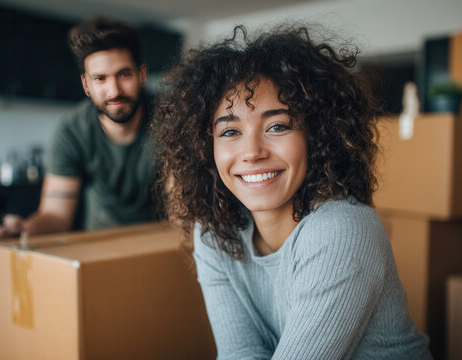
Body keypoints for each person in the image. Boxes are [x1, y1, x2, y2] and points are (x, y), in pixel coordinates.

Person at [151, 25, 433, 359]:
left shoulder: (341, 230)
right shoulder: (214, 231)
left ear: (317, 136)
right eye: (229, 131)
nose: (251, 151)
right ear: (204, 147)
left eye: (277, 126)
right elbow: (240, 352)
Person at [0, 17, 156, 242]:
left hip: (161, 245)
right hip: (97, 248)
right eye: (100, 79)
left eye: (123, 75)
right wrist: (25, 231)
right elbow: (56, 215)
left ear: (141, 75)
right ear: (86, 85)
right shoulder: (72, 130)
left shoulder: (172, 120)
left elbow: (181, 210)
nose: (114, 90)